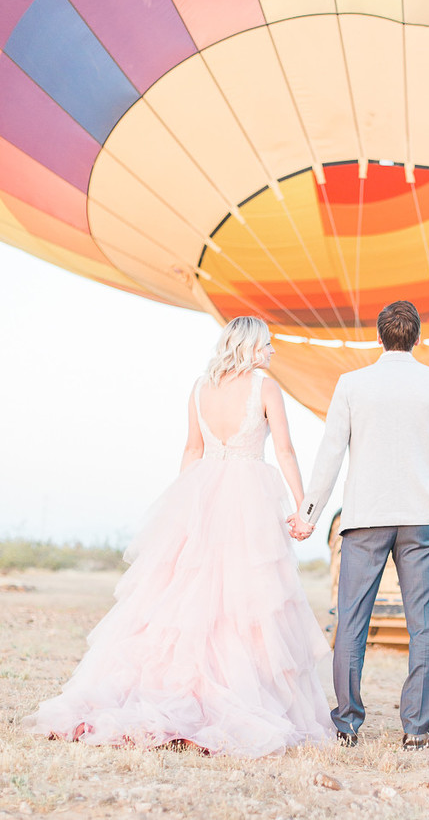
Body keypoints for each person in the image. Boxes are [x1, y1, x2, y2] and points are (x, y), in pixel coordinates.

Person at [23, 317, 333, 757]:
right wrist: (305, 508)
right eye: (267, 344)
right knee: (246, 598)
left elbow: (192, 450)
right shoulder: (265, 387)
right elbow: (284, 449)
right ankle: (236, 691)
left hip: (204, 491)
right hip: (248, 498)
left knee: (189, 595)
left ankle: (185, 689)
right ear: (248, 346)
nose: (272, 351)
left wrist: (184, 510)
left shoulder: (199, 387)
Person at [289, 300, 429, 750]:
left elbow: (330, 455)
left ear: (379, 337)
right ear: (417, 336)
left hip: (364, 517)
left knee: (350, 622)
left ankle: (346, 724)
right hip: (421, 518)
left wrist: (309, 513)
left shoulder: (352, 385)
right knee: (423, 625)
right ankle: (417, 730)